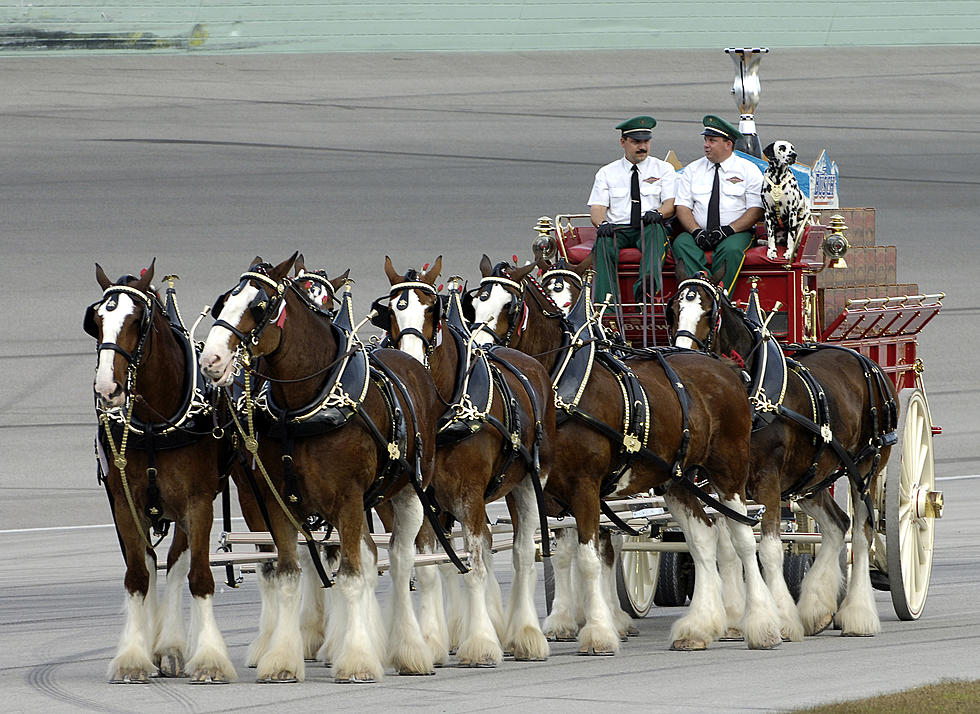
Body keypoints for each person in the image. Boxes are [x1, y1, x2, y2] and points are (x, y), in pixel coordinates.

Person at [587, 115, 676, 303]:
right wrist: (602, 224)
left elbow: (670, 204)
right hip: (617, 229)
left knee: (656, 232)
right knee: (603, 244)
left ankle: (646, 290)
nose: (642, 147)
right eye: (636, 142)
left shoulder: (664, 169)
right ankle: (606, 305)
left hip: (648, 226)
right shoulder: (607, 172)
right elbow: (597, 208)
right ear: (623, 142)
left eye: (646, 141)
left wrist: (658, 214)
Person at [672, 115, 764, 293]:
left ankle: (720, 297)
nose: (706, 145)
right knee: (681, 243)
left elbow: (755, 210)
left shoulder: (748, 170)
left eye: (712, 141)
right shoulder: (693, 170)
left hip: (735, 233)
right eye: (706, 140)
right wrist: (696, 231)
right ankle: (702, 290)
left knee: (731, 250)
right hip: (699, 232)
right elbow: (682, 207)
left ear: (728, 144)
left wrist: (728, 230)